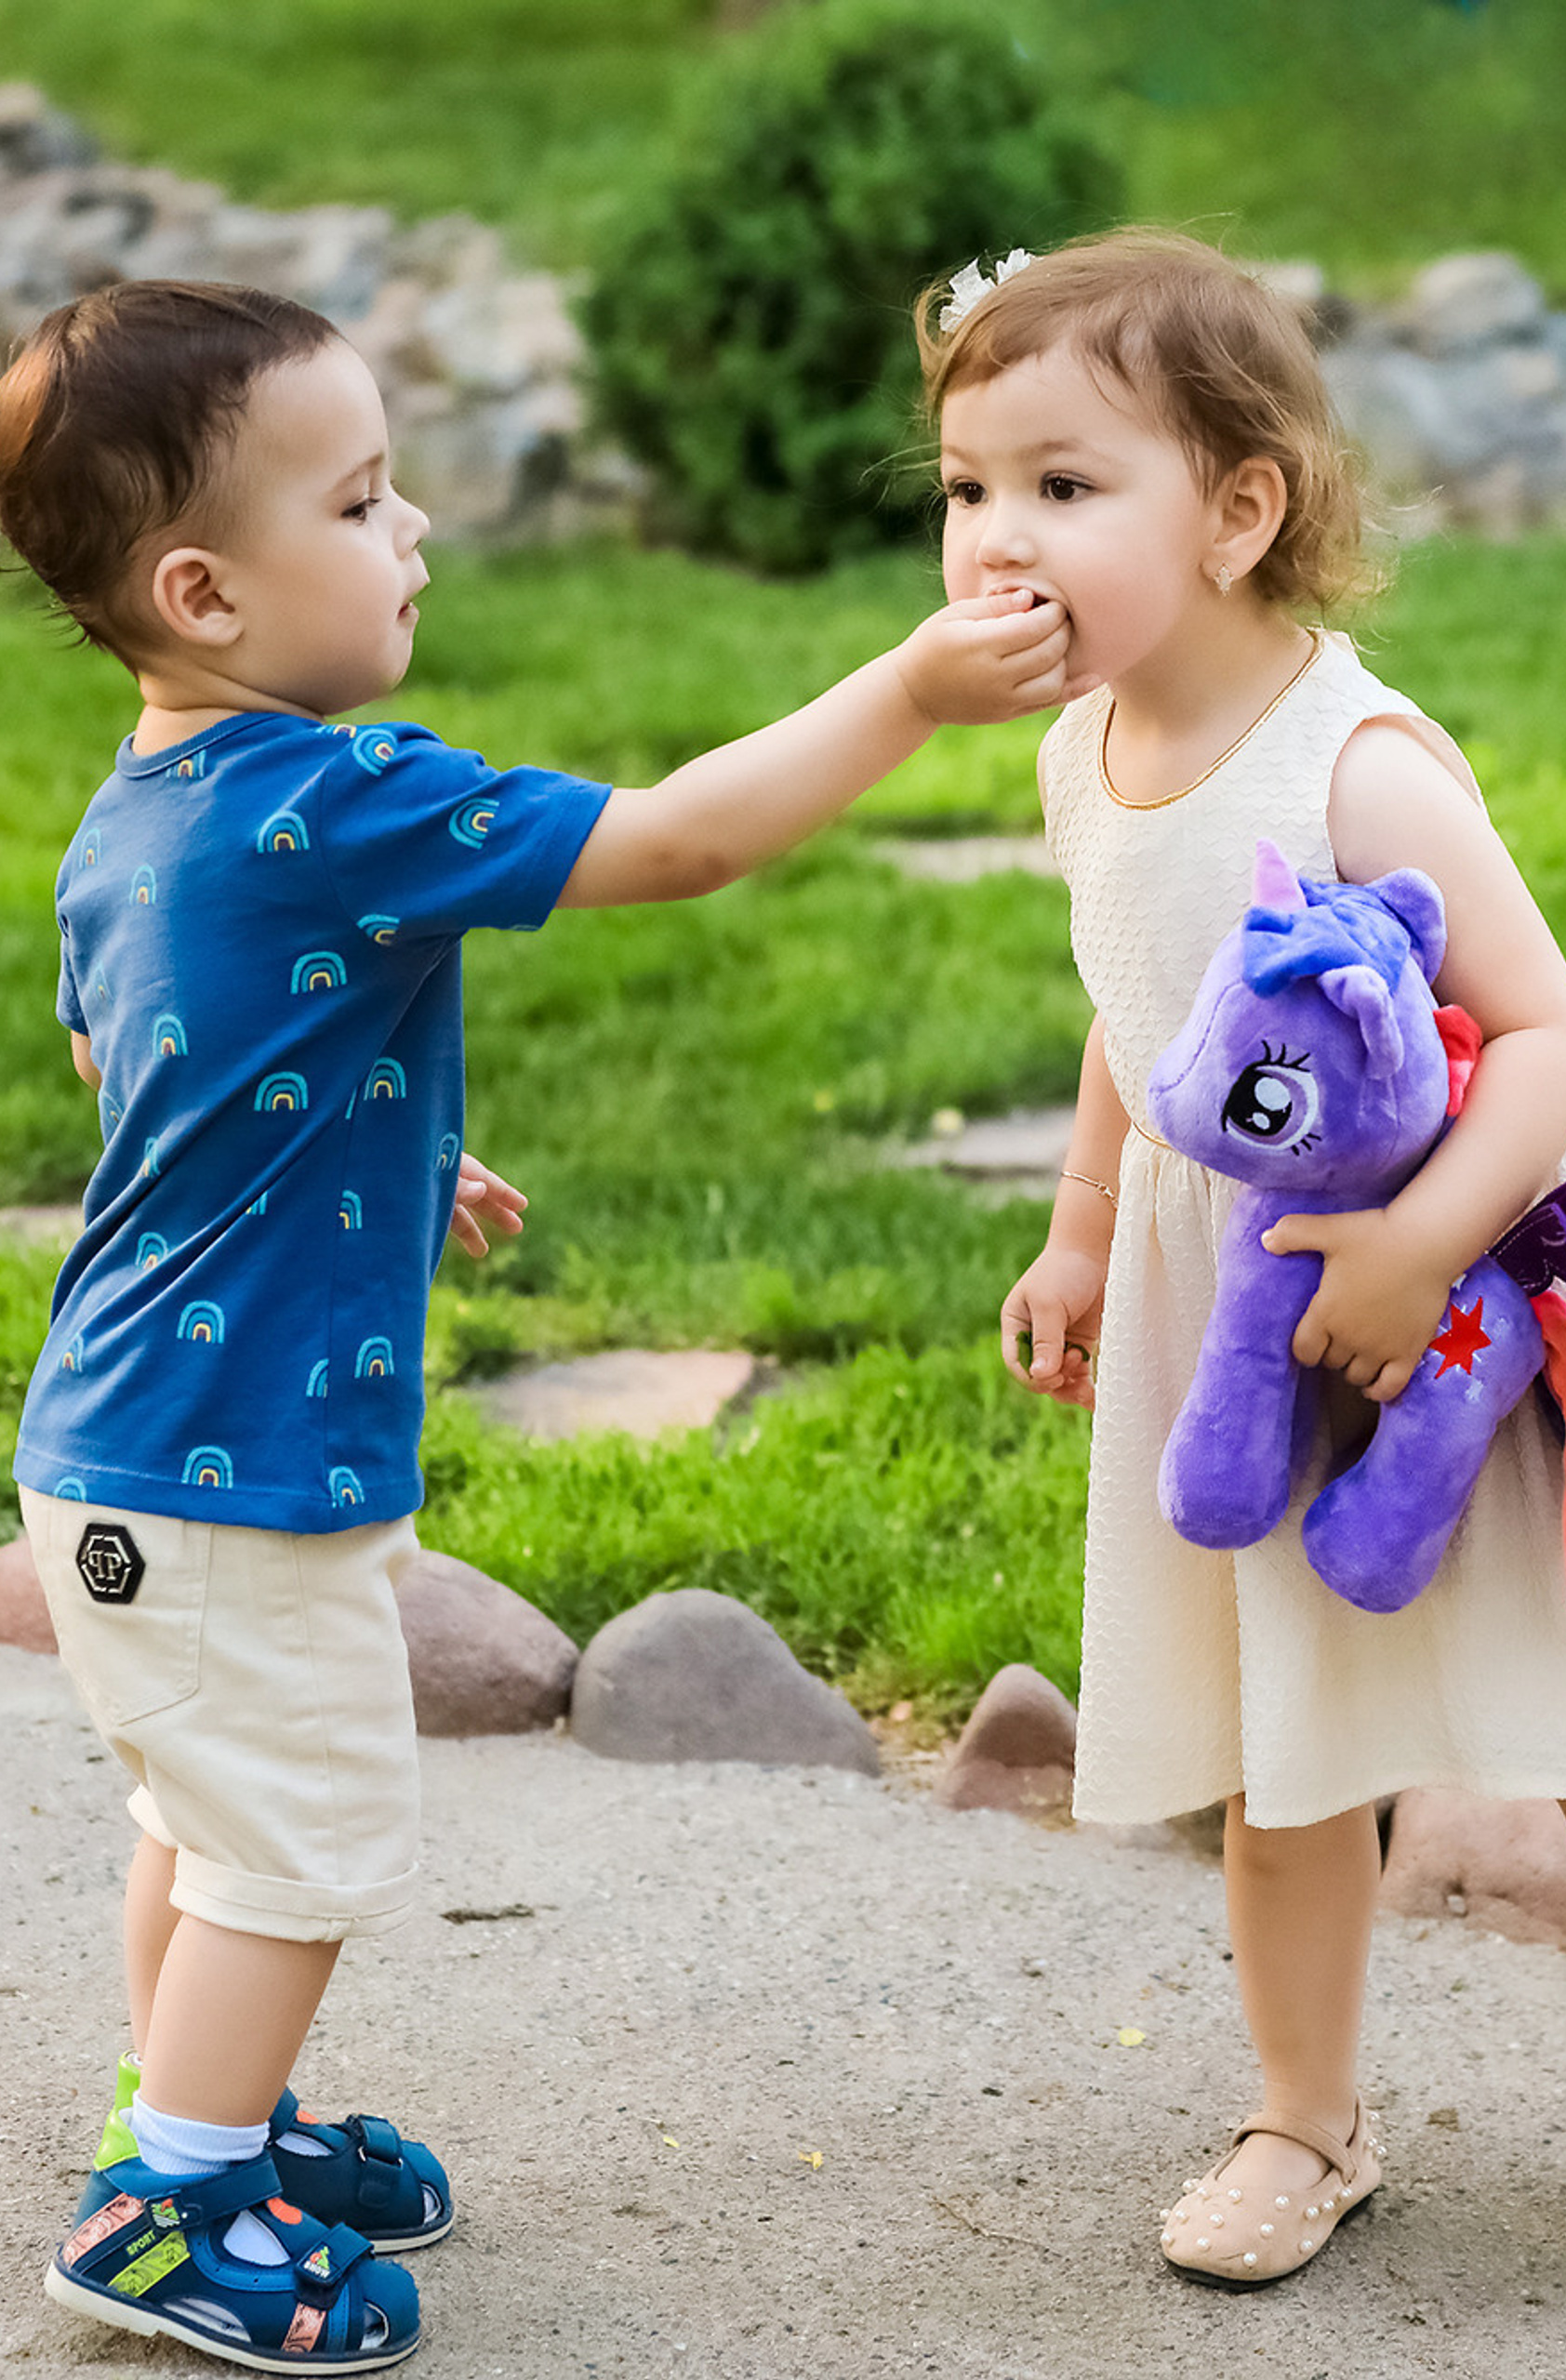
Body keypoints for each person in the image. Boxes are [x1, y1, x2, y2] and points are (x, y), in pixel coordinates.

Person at [0, 277, 1071, 2372]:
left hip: (120, 1447)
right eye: (367, 499)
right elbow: (680, 840)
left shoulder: (140, 807)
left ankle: (193, 2113)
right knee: (294, 1849)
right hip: (231, 1461)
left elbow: (133, 1062)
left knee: (207, 1825)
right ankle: (166, 2210)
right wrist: (915, 690)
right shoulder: (340, 795)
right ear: (206, 590)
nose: (415, 537)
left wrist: (397, 1163)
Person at [927, 231, 1566, 2306]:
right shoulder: (1080, 755)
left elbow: (1541, 1036)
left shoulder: (1352, 763)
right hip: (1243, 1306)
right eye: (967, 486)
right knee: (1285, 1735)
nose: (996, 536)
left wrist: (1423, 1232)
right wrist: (1085, 1225)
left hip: (1474, 1299)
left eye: (1062, 487)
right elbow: (1135, 1016)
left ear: (1237, 507)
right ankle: (1301, 2105)